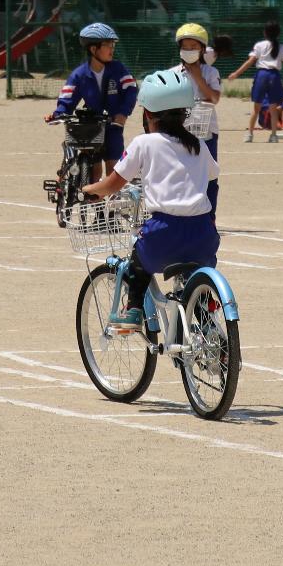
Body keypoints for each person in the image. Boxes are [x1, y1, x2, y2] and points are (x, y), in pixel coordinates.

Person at [81, 69, 220, 336]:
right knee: (195, 277)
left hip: (164, 235)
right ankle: (206, 323)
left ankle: (132, 310)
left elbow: (112, 184)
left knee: (139, 260)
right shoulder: (198, 145)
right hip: (203, 235)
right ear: (185, 113)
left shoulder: (144, 143)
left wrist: (91, 189)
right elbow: (213, 174)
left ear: (148, 114)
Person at [48, 22, 136, 181]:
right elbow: (67, 97)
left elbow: (131, 90)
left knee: (113, 171)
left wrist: (123, 113)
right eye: (107, 45)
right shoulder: (79, 74)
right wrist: (58, 114)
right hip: (90, 127)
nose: (112, 48)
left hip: (113, 127)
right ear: (93, 49)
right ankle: (92, 201)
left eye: (112, 44)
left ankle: (111, 204)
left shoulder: (118, 69)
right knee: (94, 172)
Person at [174, 23, 222, 212]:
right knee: (182, 172)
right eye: (185, 47)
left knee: (209, 175)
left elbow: (214, 98)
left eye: (193, 47)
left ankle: (209, 216)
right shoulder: (173, 73)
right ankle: (184, 213)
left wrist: (197, 76)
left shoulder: (211, 72)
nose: (189, 50)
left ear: (202, 49)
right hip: (180, 128)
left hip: (206, 128)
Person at [224, 21, 283, 142]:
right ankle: (273, 136)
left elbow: (250, 61)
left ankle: (249, 135)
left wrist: (236, 73)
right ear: (278, 34)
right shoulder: (282, 47)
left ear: (265, 32)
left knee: (256, 108)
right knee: (273, 109)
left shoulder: (259, 45)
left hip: (261, 75)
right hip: (274, 76)